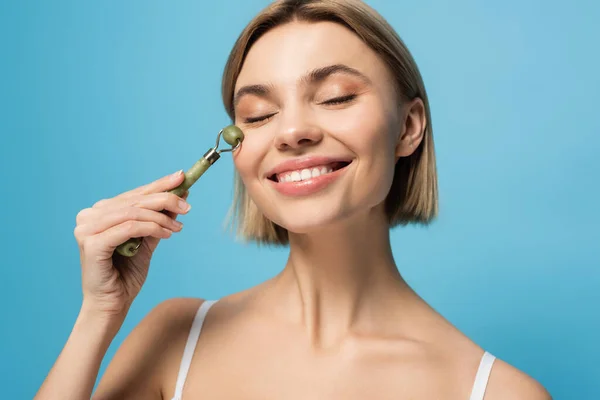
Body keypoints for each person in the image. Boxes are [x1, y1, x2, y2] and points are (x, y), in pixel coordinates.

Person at [35, 1, 552, 399]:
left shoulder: (496, 391)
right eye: (259, 114)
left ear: (408, 128)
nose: (293, 131)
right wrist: (98, 313)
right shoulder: (174, 338)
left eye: (336, 98)